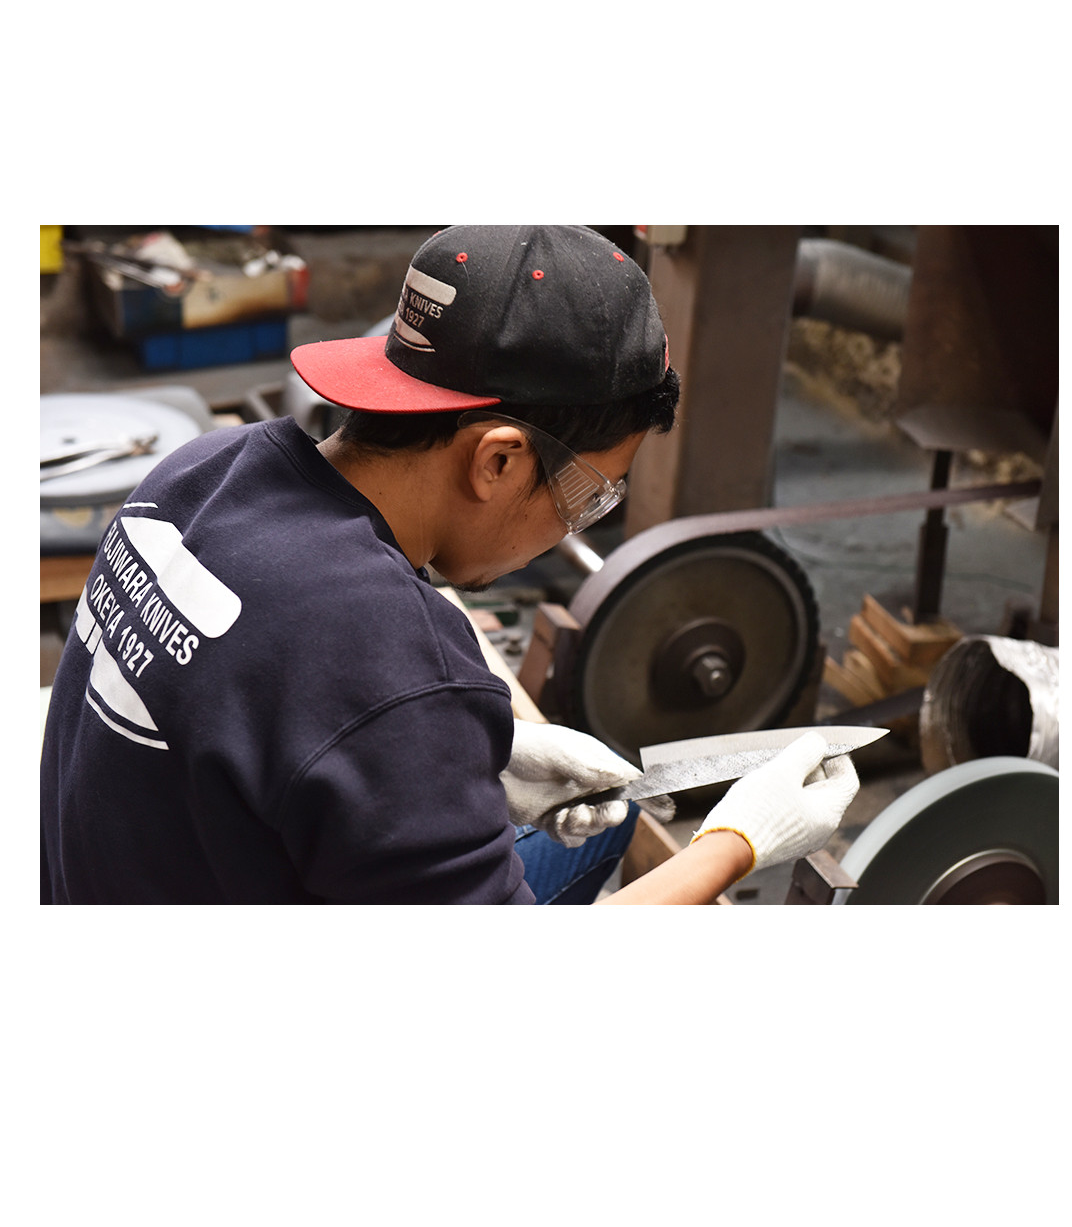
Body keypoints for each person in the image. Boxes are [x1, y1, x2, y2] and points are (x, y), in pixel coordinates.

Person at [40, 224, 859, 905]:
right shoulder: (394, 659)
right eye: (589, 495)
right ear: (498, 460)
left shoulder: (202, 468)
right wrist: (735, 842)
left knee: (598, 837)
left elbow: (260, 702)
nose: (576, 522)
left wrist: (491, 752)